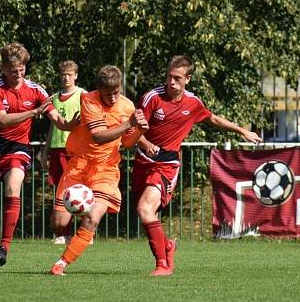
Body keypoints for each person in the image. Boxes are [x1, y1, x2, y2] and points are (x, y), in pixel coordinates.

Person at [133, 56, 262, 276]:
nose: (171, 82)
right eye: (169, 77)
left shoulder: (193, 103)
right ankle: (168, 246)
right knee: (147, 213)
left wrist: (242, 131)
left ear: (188, 79)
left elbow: (214, 119)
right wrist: (146, 143)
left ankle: (163, 265)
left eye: (177, 78)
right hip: (143, 160)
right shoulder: (152, 98)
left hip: (166, 163)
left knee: (145, 209)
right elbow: (133, 129)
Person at [0, 42, 79, 274]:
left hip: (18, 148)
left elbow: (57, 119)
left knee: (13, 187)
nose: (19, 74)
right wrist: (33, 113)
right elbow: (1, 119)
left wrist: (72, 124)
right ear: (3, 68)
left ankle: (4, 247)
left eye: (22, 69)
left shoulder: (36, 90)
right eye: (14, 70)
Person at [49, 65, 149, 276]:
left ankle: (61, 264)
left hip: (106, 169)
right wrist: (129, 123)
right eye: (107, 94)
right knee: (59, 224)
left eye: (116, 92)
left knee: (92, 219)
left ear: (120, 87)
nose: (112, 98)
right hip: (80, 164)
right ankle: (78, 214)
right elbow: (98, 136)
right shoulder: (89, 100)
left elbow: (128, 143)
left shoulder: (127, 106)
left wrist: (139, 129)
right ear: (98, 89)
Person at [38, 60, 86, 244]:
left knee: (80, 191)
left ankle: (84, 232)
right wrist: (45, 150)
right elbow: (52, 126)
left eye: (70, 74)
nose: (66, 77)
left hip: (76, 150)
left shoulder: (83, 95)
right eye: (63, 74)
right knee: (60, 192)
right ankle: (63, 233)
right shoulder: (54, 98)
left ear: (76, 75)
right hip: (57, 151)